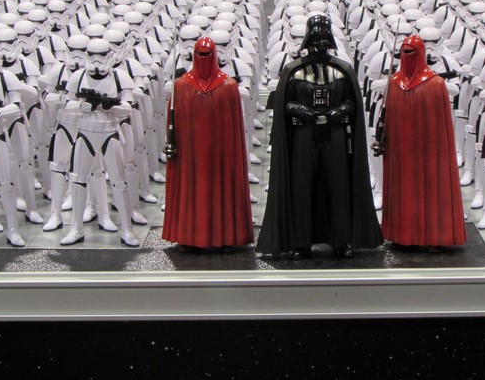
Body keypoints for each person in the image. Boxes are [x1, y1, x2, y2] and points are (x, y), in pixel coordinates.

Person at [257, 14, 382, 259]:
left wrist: (339, 111)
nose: (320, 44)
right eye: (316, 39)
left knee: (338, 186)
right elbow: (284, 103)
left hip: (335, 135)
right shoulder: (294, 70)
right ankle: (301, 242)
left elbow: (352, 103)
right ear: (308, 39)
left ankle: (340, 240)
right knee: (302, 186)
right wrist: (300, 110)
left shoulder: (342, 69)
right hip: (304, 135)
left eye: (325, 38)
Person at [373, 35, 466, 248]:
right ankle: (401, 234)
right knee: (403, 189)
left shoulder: (435, 84)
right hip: (400, 151)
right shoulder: (394, 83)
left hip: (428, 152)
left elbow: (441, 126)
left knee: (430, 190)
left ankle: (434, 236)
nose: (407, 56)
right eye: (404, 52)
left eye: (411, 52)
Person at [162, 36, 254, 251]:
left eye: (207, 54)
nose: (204, 58)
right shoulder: (181, 86)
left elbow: (234, 127)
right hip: (190, 153)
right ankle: (189, 237)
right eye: (200, 54)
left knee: (223, 188)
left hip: (221, 152)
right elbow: (173, 123)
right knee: (191, 190)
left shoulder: (228, 86)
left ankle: (227, 236)